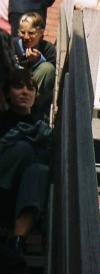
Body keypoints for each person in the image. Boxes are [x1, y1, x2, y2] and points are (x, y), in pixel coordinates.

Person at [0, 69, 51, 256]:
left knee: (40, 171)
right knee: (24, 148)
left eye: (30, 88)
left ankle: (18, 239)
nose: (25, 92)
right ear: (7, 93)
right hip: (5, 185)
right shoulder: (2, 121)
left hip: (26, 189)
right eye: (18, 87)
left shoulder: (42, 124)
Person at [13, 12, 55, 119]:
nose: (26, 37)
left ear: (41, 33)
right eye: (22, 32)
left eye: (31, 33)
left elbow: (50, 77)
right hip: (12, 93)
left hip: (34, 101)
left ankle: (29, 113)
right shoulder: (11, 45)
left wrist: (38, 60)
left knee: (47, 68)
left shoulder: (48, 49)